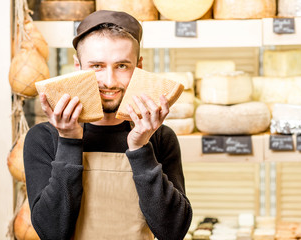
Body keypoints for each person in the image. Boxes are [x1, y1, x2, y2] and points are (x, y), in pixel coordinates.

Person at [23, 10, 192, 240]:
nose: (110, 82)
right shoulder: (44, 138)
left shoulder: (159, 137)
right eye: (97, 66)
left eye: (122, 66)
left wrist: (140, 147)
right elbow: (51, 233)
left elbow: (173, 232)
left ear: (139, 66)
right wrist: (69, 140)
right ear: (78, 66)